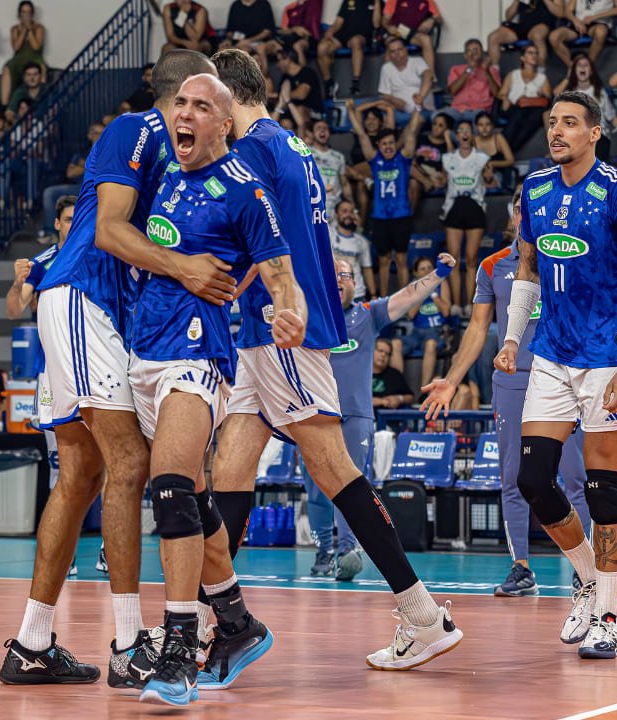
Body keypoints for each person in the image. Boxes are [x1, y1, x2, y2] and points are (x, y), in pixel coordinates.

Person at [207, 48, 463, 673]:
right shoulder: (291, 146)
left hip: (283, 329)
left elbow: (257, 245)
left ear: (226, 100)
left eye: (206, 103)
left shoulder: (252, 152)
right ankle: (222, 623)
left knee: (334, 469)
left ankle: (423, 614)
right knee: (230, 472)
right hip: (269, 332)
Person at [0, 49, 232, 689]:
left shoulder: (189, 157)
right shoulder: (138, 128)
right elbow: (107, 231)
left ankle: (32, 644)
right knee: (130, 463)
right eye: (199, 94)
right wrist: (186, 269)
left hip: (105, 314)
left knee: (80, 474)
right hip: (85, 297)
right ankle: (130, 644)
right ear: (179, 93)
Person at [125, 72, 294, 708]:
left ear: (225, 124)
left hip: (198, 353)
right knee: (194, 498)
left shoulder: (246, 189)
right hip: (145, 349)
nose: (185, 114)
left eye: (201, 106)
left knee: (169, 485)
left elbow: (280, 272)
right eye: (180, 104)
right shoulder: (164, 172)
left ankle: (178, 652)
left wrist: (290, 312)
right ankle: (238, 623)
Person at [494, 90, 617, 659]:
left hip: (608, 358)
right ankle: (588, 578)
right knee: (533, 480)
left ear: (594, 132)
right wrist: (512, 338)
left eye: (569, 123)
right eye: (551, 123)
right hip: (551, 355)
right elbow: (527, 269)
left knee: (601, 486)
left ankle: (608, 617)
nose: (556, 131)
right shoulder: (536, 189)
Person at [422, 194, 590, 597]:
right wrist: (452, 379)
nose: (525, 215)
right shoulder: (492, 266)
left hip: (563, 380)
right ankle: (521, 567)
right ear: (514, 216)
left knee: (575, 477)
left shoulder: (569, 257)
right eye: (520, 209)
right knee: (514, 477)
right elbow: (478, 328)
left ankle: (583, 568)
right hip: (513, 383)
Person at [311, 253, 455, 577]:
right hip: (316, 415)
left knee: (349, 484)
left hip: (356, 416)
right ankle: (322, 552)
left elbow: (407, 297)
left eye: (344, 275)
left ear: (355, 283)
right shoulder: (312, 315)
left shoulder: (367, 314)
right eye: (332, 274)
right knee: (315, 487)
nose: (338, 280)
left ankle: (346, 552)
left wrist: (438, 274)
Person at [351, 102, 420, 294]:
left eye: (391, 143)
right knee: (383, 261)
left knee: (401, 260)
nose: (388, 146)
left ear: (395, 144)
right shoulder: (375, 161)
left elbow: (412, 132)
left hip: (401, 216)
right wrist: (350, 111)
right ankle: (383, 299)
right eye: (384, 144)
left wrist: (418, 107)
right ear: (379, 146)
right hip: (380, 218)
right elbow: (362, 135)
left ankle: (404, 301)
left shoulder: (403, 160)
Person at [441, 119, 491, 305]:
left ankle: (470, 305)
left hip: (474, 207)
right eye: (461, 130)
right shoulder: (448, 158)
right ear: (456, 135)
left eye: (468, 130)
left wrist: (489, 176)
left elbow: (489, 179)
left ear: (472, 134)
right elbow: (441, 181)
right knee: (453, 260)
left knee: (471, 259)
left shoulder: (482, 158)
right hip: (454, 206)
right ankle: (455, 305)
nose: (464, 133)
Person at [554, 54, 617, 158]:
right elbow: (555, 94)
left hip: (599, 136)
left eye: (586, 65)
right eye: (579, 65)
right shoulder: (569, 94)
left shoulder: (599, 92)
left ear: (591, 71)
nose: (583, 67)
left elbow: (611, 116)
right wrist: (568, 77)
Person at [400, 256, 451, 386]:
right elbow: (411, 314)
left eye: (429, 268)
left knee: (430, 343)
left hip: (436, 331)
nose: (427, 271)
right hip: (417, 332)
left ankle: (424, 388)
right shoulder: (413, 287)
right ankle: (399, 387)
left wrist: (433, 295)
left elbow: (446, 312)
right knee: (395, 344)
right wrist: (423, 293)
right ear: (416, 273)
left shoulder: (442, 283)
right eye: (422, 269)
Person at [318, 0, 379, 97]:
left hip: (361, 36)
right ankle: (329, 84)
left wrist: (377, 3)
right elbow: (338, 22)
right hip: (343, 35)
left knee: (355, 41)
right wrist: (330, 32)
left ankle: (355, 83)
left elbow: (376, 24)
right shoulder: (348, 1)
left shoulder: (377, 2)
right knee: (322, 48)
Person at [498, 44, 551, 154]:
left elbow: (548, 97)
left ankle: (508, 149)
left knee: (534, 116)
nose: (534, 55)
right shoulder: (513, 75)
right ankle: (505, 148)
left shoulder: (542, 78)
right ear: (522, 57)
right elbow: (501, 94)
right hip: (514, 107)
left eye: (536, 53)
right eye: (530, 53)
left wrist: (540, 93)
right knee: (519, 114)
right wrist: (506, 99)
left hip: (534, 109)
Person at [440, 39, 501, 123]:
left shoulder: (491, 70)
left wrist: (486, 71)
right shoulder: (456, 69)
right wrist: (468, 70)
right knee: (439, 118)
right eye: (469, 50)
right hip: (458, 109)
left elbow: (497, 93)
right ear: (465, 55)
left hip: (480, 110)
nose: (473, 53)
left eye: (476, 50)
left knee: (480, 121)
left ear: (482, 54)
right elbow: (453, 90)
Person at [376, 36, 434, 124]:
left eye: (399, 49)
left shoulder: (417, 61)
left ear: (406, 50)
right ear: (389, 55)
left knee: (416, 120)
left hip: (423, 109)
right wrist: (394, 100)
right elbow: (384, 95)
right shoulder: (386, 68)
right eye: (393, 51)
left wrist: (420, 98)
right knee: (380, 117)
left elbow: (428, 76)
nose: (397, 53)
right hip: (399, 109)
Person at [549, 0, 617, 66]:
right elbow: (567, 11)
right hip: (579, 23)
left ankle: (589, 66)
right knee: (554, 37)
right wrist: (575, 21)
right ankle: (572, 67)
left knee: (600, 32)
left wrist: (595, 17)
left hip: (599, 22)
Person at [488, 0, 558, 69]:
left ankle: (541, 72)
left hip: (541, 24)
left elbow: (560, 12)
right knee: (493, 37)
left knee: (537, 36)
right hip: (522, 25)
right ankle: (495, 71)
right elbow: (508, 17)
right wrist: (516, 1)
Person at [381, 0, 442, 78]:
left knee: (426, 39)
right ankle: (387, 79)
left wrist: (431, 20)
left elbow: (438, 17)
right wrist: (389, 27)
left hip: (412, 33)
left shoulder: (428, 1)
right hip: (397, 32)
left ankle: (430, 78)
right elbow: (384, 20)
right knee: (392, 44)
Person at [1, 2, 45, 106]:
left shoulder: (39, 28)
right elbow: (16, 47)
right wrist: (24, 30)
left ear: (32, 14)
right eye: (24, 12)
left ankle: (41, 102)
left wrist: (29, 29)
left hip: (34, 59)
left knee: (42, 69)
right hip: (18, 60)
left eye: (29, 13)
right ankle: (4, 105)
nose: (26, 15)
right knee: (7, 69)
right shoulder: (15, 29)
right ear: (20, 14)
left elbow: (36, 47)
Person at [330, 200, 375, 300]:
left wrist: (373, 295)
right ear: (336, 214)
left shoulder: (362, 241)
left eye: (351, 212)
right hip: (332, 292)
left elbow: (367, 269)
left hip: (357, 294)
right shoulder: (328, 234)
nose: (348, 215)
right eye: (344, 211)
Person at [273, 49, 323, 132]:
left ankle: (305, 138)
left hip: (314, 114)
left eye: (278, 60)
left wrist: (284, 96)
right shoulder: (285, 78)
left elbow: (301, 94)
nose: (276, 65)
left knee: (300, 110)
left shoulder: (307, 72)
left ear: (288, 59)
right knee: (284, 122)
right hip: (292, 112)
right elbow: (280, 100)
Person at [311, 120, 351, 215]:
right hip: (312, 205)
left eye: (325, 128)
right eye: (318, 128)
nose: (322, 130)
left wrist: (352, 205)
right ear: (312, 134)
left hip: (334, 207)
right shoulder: (305, 153)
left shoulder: (339, 157)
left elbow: (344, 183)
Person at [372, 338, 413, 407]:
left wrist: (399, 399)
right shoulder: (360, 373)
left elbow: (410, 397)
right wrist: (380, 401)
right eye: (380, 351)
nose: (383, 355)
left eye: (387, 354)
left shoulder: (394, 374)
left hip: (389, 413)